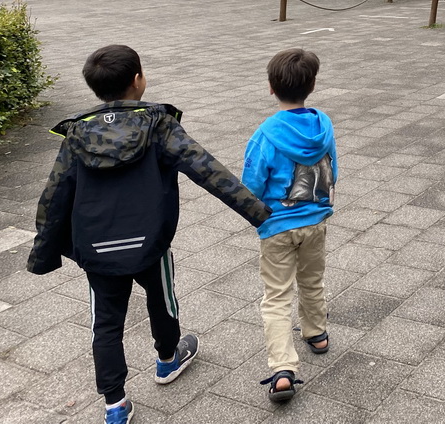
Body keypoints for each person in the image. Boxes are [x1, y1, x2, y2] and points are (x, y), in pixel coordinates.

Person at [26, 45, 272, 424]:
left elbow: (53, 196)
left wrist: (42, 253)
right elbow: (208, 170)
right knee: (162, 299)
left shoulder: (76, 135)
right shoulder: (157, 124)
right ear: (138, 79)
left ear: (94, 88)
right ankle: (168, 359)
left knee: (105, 323)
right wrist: (258, 213)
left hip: (97, 247)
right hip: (149, 243)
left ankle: (115, 404)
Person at [243, 48, 338, 404]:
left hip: (277, 227)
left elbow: (251, 183)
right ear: (311, 86)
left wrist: (257, 215)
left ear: (271, 87)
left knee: (277, 295)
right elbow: (333, 169)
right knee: (312, 280)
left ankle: (283, 368)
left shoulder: (266, 134)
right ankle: (317, 334)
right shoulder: (322, 125)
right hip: (315, 220)